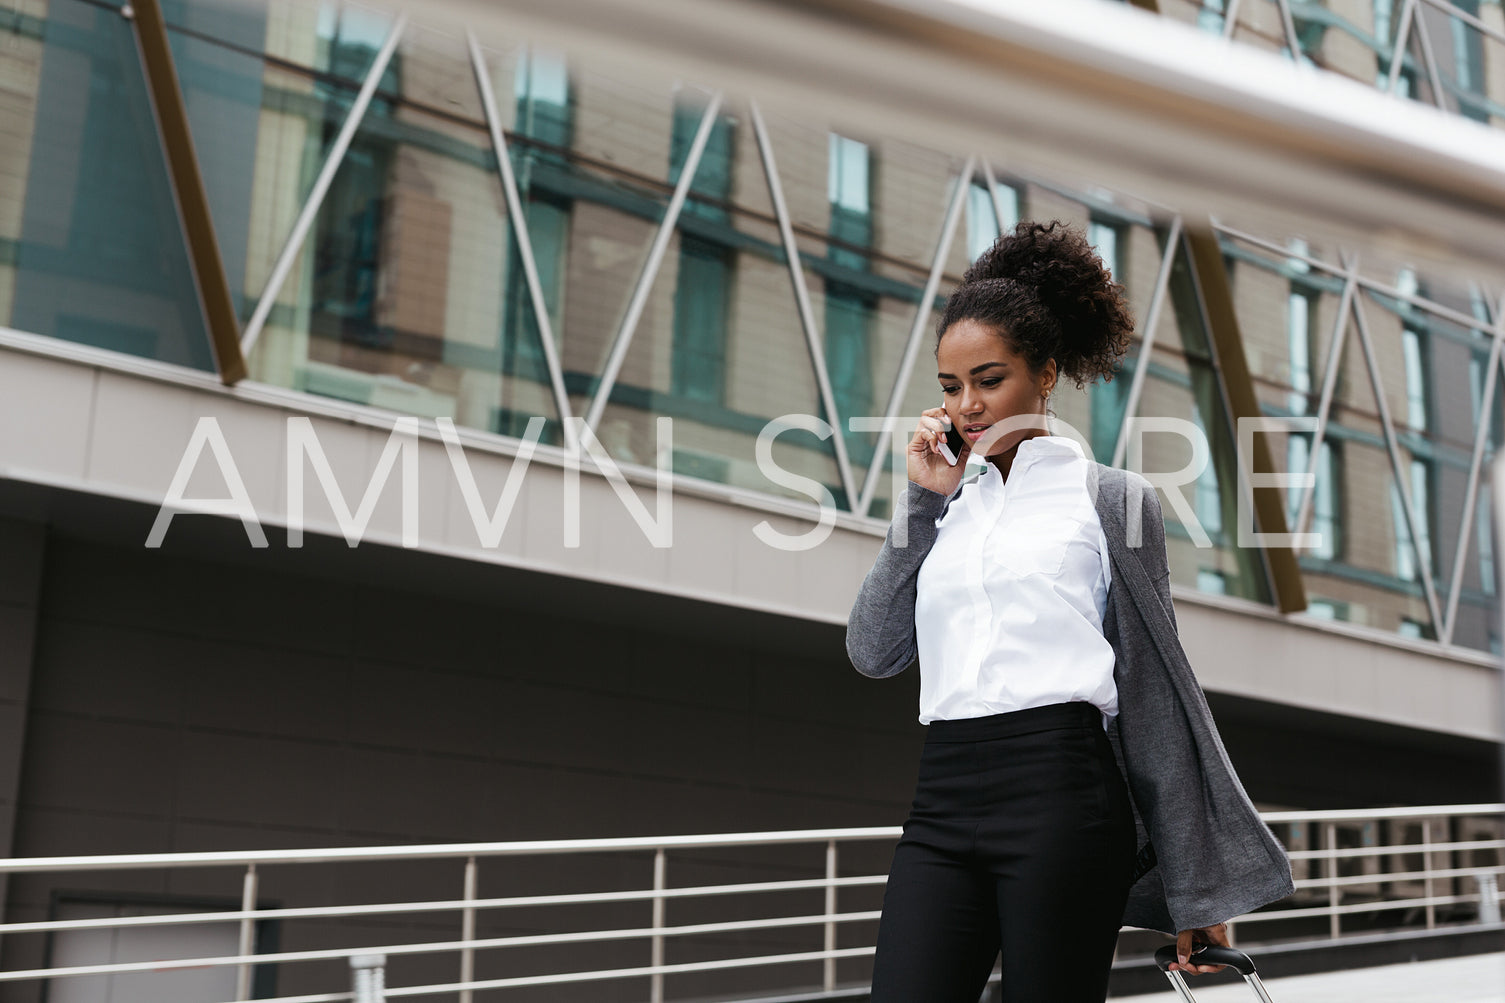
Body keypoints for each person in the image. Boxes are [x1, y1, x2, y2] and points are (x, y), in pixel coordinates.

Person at [845, 220, 1294, 1001]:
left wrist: (1193, 886)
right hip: (943, 795)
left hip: (1062, 790)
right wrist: (921, 503)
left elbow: (1157, 692)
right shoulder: (944, 502)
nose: (967, 405)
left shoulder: (1113, 501)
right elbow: (872, 649)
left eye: (989, 379)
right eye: (951, 386)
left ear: (1045, 373)